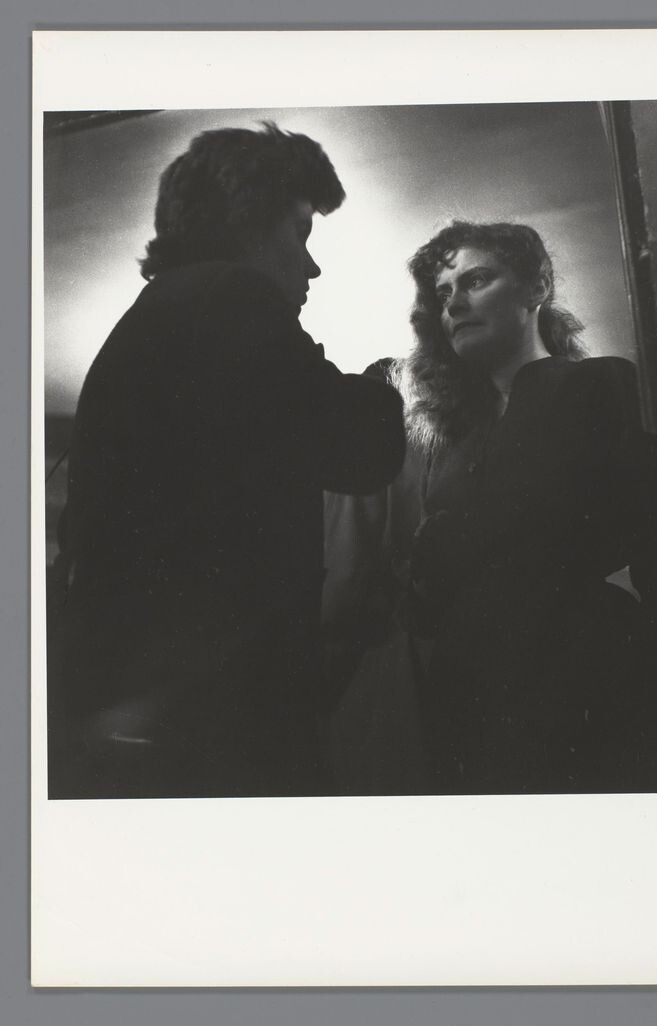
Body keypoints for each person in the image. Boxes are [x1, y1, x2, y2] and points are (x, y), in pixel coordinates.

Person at [49, 123, 405, 799]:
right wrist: (387, 382)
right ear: (246, 223)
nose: (312, 267)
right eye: (300, 233)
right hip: (213, 718)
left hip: (140, 705)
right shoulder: (229, 298)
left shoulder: (157, 313)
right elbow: (364, 449)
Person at [396, 220, 657, 794]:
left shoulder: (602, 383)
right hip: (469, 696)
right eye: (444, 294)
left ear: (537, 287)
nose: (455, 304)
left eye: (476, 280)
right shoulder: (447, 437)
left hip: (585, 681)